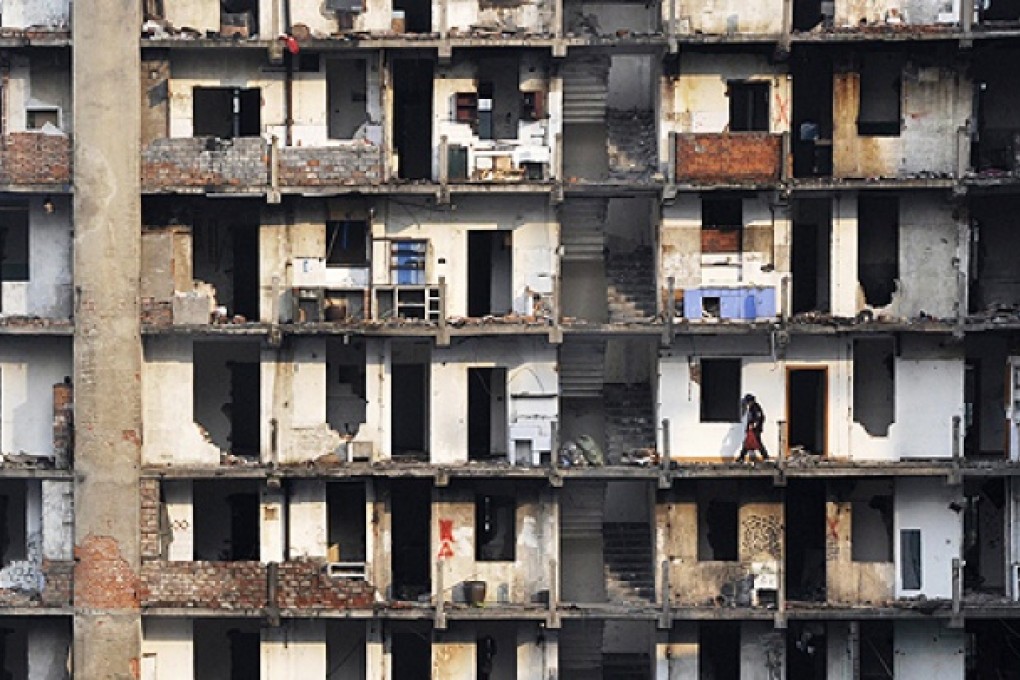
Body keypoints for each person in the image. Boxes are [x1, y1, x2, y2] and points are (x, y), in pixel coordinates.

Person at [737, 394, 769, 462]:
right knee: (747, 442)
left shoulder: (756, 407)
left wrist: (754, 425)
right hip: (751, 429)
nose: (747, 403)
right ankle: (741, 457)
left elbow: (759, 417)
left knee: (757, 443)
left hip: (755, 429)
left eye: (747, 402)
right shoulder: (751, 407)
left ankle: (765, 457)